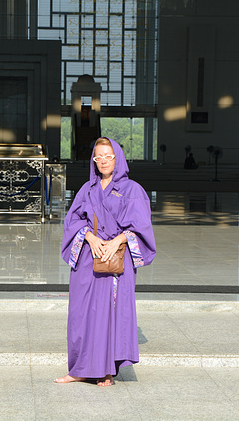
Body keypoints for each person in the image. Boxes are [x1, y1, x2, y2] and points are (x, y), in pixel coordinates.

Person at [55, 137, 156, 387]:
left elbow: (141, 226)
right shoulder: (87, 190)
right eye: (98, 157)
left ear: (117, 158)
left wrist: (116, 241)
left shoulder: (132, 189)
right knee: (81, 313)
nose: (103, 161)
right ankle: (79, 368)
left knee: (110, 315)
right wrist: (89, 237)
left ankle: (106, 370)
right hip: (89, 258)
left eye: (107, 156)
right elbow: (72, 221)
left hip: (116, 259)